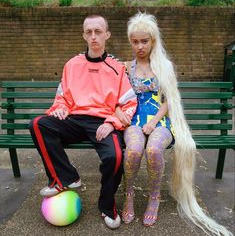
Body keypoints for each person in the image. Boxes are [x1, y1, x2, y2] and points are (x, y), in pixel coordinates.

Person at [115, 12, 232, 236]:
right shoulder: (126, 67)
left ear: (153, 41)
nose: (140, 46)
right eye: (135, 41)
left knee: (154, 149)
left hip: (161, 120)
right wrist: (119, 110)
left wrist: (155, 122)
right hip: (134, 120)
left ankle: (154, 197)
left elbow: (170, 101)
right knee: (134, 151)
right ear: (130, 41)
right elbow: (115, 96)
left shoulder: (164, 66)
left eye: (144, 41)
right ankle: (128, 194)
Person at [29, 14, 137, 230]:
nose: (94, 36)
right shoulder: (72, 64)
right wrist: (60, 108)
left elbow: (128, 104)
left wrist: (112, 122)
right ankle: (64, 178)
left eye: (98, 31)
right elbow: (62, 96)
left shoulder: (117, 68)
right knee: (38, 124)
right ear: (84, 36)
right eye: (89, 32)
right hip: (74, 120)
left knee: (115, 157)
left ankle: (107, 206)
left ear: (107, 34)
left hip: (102, 122)